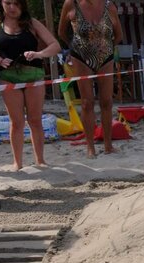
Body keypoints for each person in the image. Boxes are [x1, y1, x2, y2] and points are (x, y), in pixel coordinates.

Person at [0, 0, 61, 170]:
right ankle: (17, 162)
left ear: (22, 5)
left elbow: (55, 45)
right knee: (16, 121)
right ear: (0, 4)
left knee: (35, 119)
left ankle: (40, 160)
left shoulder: (32, 23)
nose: (12, 8)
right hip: (9, 76)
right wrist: (0, 60)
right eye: (8, 3)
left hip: (33, 75)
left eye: (16, 3)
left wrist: (38, 54)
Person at [58, 0, 121, 157]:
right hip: (80, 55)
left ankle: (108, 145)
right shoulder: (71, 4)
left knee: (106, 101)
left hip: (105, 55)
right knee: (87, 103)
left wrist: (105, 49)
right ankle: (90, 147)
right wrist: (74, 47)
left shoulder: (109, 6)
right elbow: (62, 32)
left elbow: (119, 35)